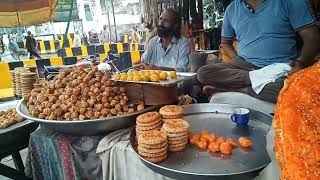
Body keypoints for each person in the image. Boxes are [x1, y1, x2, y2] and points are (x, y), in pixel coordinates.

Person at [197, 0, 320, 103]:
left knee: (296, 91)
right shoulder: (232, 9)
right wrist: (235, 59)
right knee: (203, 73)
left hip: (279, 67)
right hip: (244, 65)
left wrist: (301, 62)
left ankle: (240, 89)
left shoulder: (289, 2)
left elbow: (313, 38)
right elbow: (225, 43)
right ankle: (252, 83)